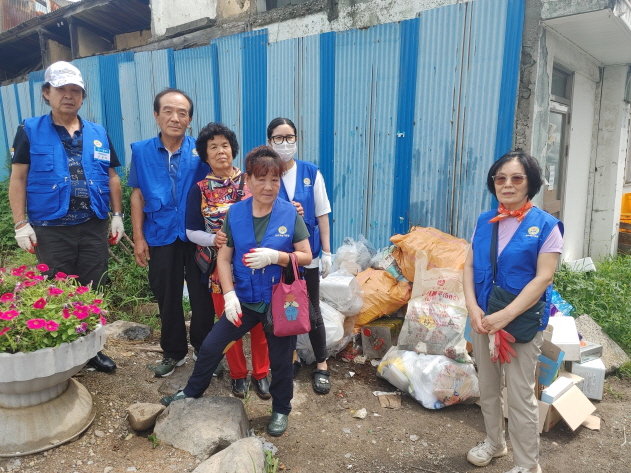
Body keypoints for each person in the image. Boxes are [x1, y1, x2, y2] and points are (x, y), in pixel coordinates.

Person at [161, 145, 312, 437]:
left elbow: (305, 255)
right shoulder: (236, 213)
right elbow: (224, 257)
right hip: (243, 299)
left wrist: (276, 257)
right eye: (261, 179)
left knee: (281, 363)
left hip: (277, 303)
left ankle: (281, 409)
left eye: (274, 180)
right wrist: (229, 294)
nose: (268, 186)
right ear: (249, 180)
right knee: (210, 347)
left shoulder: (288, 214)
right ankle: (191, 392)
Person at [8, 60, 123, 373]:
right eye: (61, 89)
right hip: (52, 229)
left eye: (76, 90)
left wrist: (117, 215)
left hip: (94, 224)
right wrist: (21, 223)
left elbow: (112, 177)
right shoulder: (29, 131)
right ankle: (65, 354)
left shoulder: (98, 132)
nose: (69, 96)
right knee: (59, 289)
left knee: (93, 287)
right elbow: (18, 179)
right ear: (47, 93)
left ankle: (93, 351)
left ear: (83, 97)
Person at [463, 151, 563, 473]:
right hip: (483, 320)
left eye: (516, 178)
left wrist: (503, 317)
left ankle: (527, 465)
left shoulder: (546, 226)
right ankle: (495, 443)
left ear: (530, 183)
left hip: (518, 324)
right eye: (500, 178)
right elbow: (468, 265)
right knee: (488, 390)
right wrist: (473, 308)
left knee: (520, 398)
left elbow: (543, 277)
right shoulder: (484, 221)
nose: (507, 184)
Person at [128, 88, 214, 378]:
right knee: (167, 296)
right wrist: (139, 237)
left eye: (182, 113)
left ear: (190, 119)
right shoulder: (140, 151)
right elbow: (137, 195)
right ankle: (174, 352)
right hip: (160, 233)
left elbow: (224, 180)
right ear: (156, 115)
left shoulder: (202, 151)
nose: (175, 118)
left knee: (202, 296)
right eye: (168, 111)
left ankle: (205, 350)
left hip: (196, 235)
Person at [185, 122, 271, 400]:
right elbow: (190, 230)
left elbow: (274, 209)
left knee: (260, 325)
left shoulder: (253, 179)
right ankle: (238, 375)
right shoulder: (199, 189)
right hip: (219, 270)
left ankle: (261, 373)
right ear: (205, 155)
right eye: (213, 147)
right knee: (229, 323)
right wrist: (214, 240)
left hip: (257, 265)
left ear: (232, 149)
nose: (220, 151)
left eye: (224, 145)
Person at [266, 117, 333, 394]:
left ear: (297, 139)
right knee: (285, 307)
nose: (285, 143)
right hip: (278, 256)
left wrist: (327, 252)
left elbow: (322, 213)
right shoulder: (265, 172)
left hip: (308, 255)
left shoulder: (310, 172)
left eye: (289, 137)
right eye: (279, 138)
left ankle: (322, 364)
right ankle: (291, 359)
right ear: (269, 141)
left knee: (313, 310)